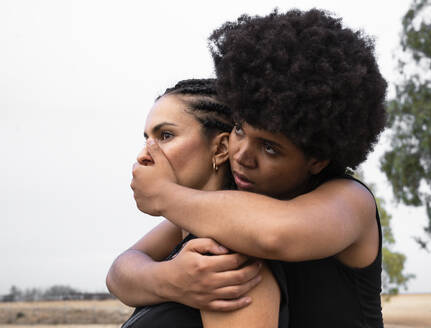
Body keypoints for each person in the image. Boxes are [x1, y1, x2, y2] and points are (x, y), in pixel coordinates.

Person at [110, 8, 387, 327]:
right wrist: (168, 277)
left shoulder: (349, 199)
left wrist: (161, 195)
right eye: (240, 129)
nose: (242, 155)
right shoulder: (226, 211)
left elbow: (276, 234)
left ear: (317, 158)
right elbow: (120, 270)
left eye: (270, 147)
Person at [111, 78, 286, 328]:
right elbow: (119, 271)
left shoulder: (224, 262)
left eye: (166, 135)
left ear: (220, 149)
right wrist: (167, 278)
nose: (143, 154)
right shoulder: (186, 236)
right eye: (147, 138)